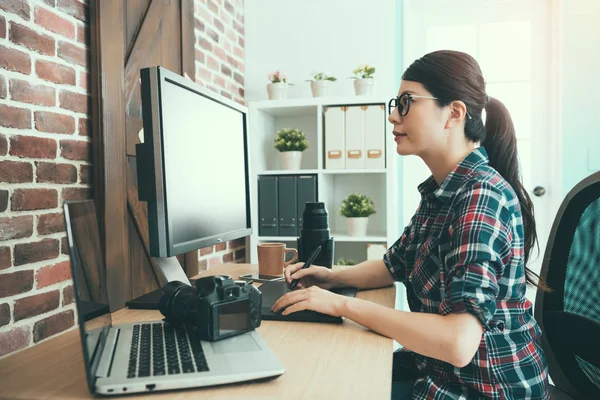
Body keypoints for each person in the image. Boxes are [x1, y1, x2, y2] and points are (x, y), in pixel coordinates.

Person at [271, 50, 550, 399]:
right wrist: (332, 277)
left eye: (406, 103)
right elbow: (395, 264)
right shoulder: (442, 191)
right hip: (441, 372)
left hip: (483, 388)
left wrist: (340, 304)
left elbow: (458, 343)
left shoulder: (480, 196)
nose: (392, 116)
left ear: (454, 113)